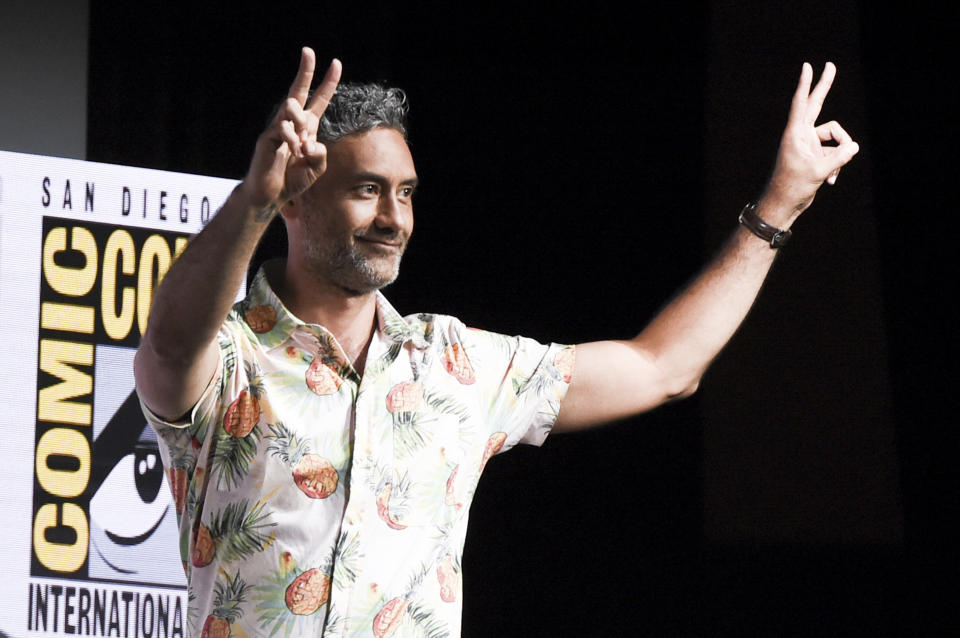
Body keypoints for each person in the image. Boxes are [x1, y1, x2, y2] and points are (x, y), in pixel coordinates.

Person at [134, 47, 858, 637]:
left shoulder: (454, 365)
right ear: (296, 197)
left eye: (408, 192)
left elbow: (661, 367)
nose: (395, 218)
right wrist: (251, 202)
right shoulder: (229, 359)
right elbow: (167, 349)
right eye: (367, 190)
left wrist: (780, 204)